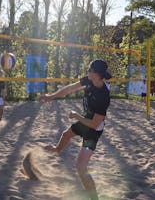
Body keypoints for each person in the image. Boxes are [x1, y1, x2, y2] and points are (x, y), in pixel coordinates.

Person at [39, 59, 111, 200]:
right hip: (86, 120)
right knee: (66, 135)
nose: (88, 71)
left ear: (97, 74)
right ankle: (57, 149)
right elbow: (70, 88)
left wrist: (77, 116)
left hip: (93, 130)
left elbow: (95, 125)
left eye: (90, 70)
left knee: (80, 168)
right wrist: (50, 97)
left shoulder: (103, 96)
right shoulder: (89, 80)